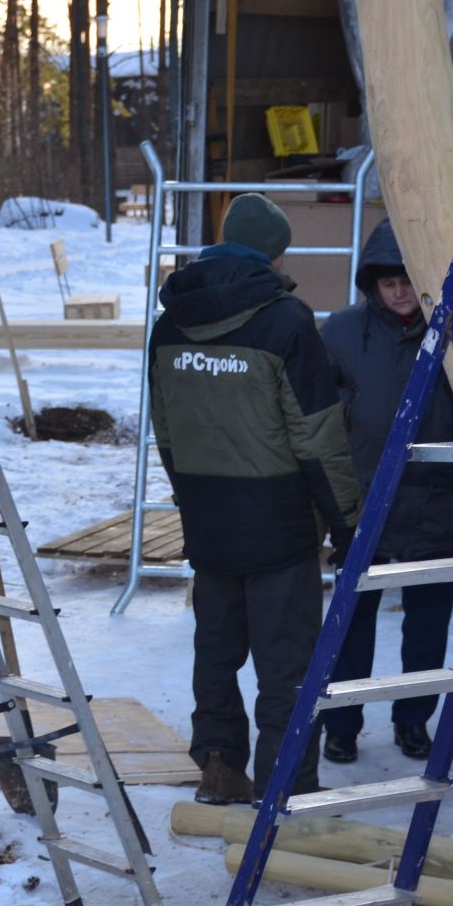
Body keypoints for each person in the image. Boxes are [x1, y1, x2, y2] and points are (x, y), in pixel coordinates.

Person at [149, 193, 359, 805]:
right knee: (286, 662)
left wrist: (195, 495)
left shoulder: (170, 324)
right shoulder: (286, 320)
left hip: (209, 518)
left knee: (215, 650)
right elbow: (317, 434)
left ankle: (218, 766)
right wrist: (346, 522)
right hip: (279, 520)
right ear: (275, 252)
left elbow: (165, 429)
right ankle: (284, 780)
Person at [318, 218, 453, 763]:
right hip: (365, 502)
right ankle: (341, 722)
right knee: (350, 622)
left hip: (437, 498)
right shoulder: (340, 332)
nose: (399, 292)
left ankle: (414, 719)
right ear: (371, 284)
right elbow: (320, 416)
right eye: (387, 283)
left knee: (428, 623)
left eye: (407, 281)